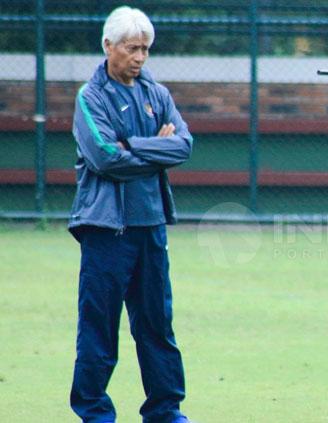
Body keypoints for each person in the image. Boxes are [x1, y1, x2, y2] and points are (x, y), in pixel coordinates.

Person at [68, 6, 193, 423]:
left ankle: (165, 410)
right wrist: (154, 150)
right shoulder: (91, 96)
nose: (139, 58)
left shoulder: (158, 94)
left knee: (157, 325)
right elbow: (104, 158)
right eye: (131, 48)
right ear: (108, 46)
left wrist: (131, 146)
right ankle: (94, 412)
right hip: (106, 230)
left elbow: (184, 145)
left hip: (151, 228)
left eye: (145, 49)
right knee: (99, 328)